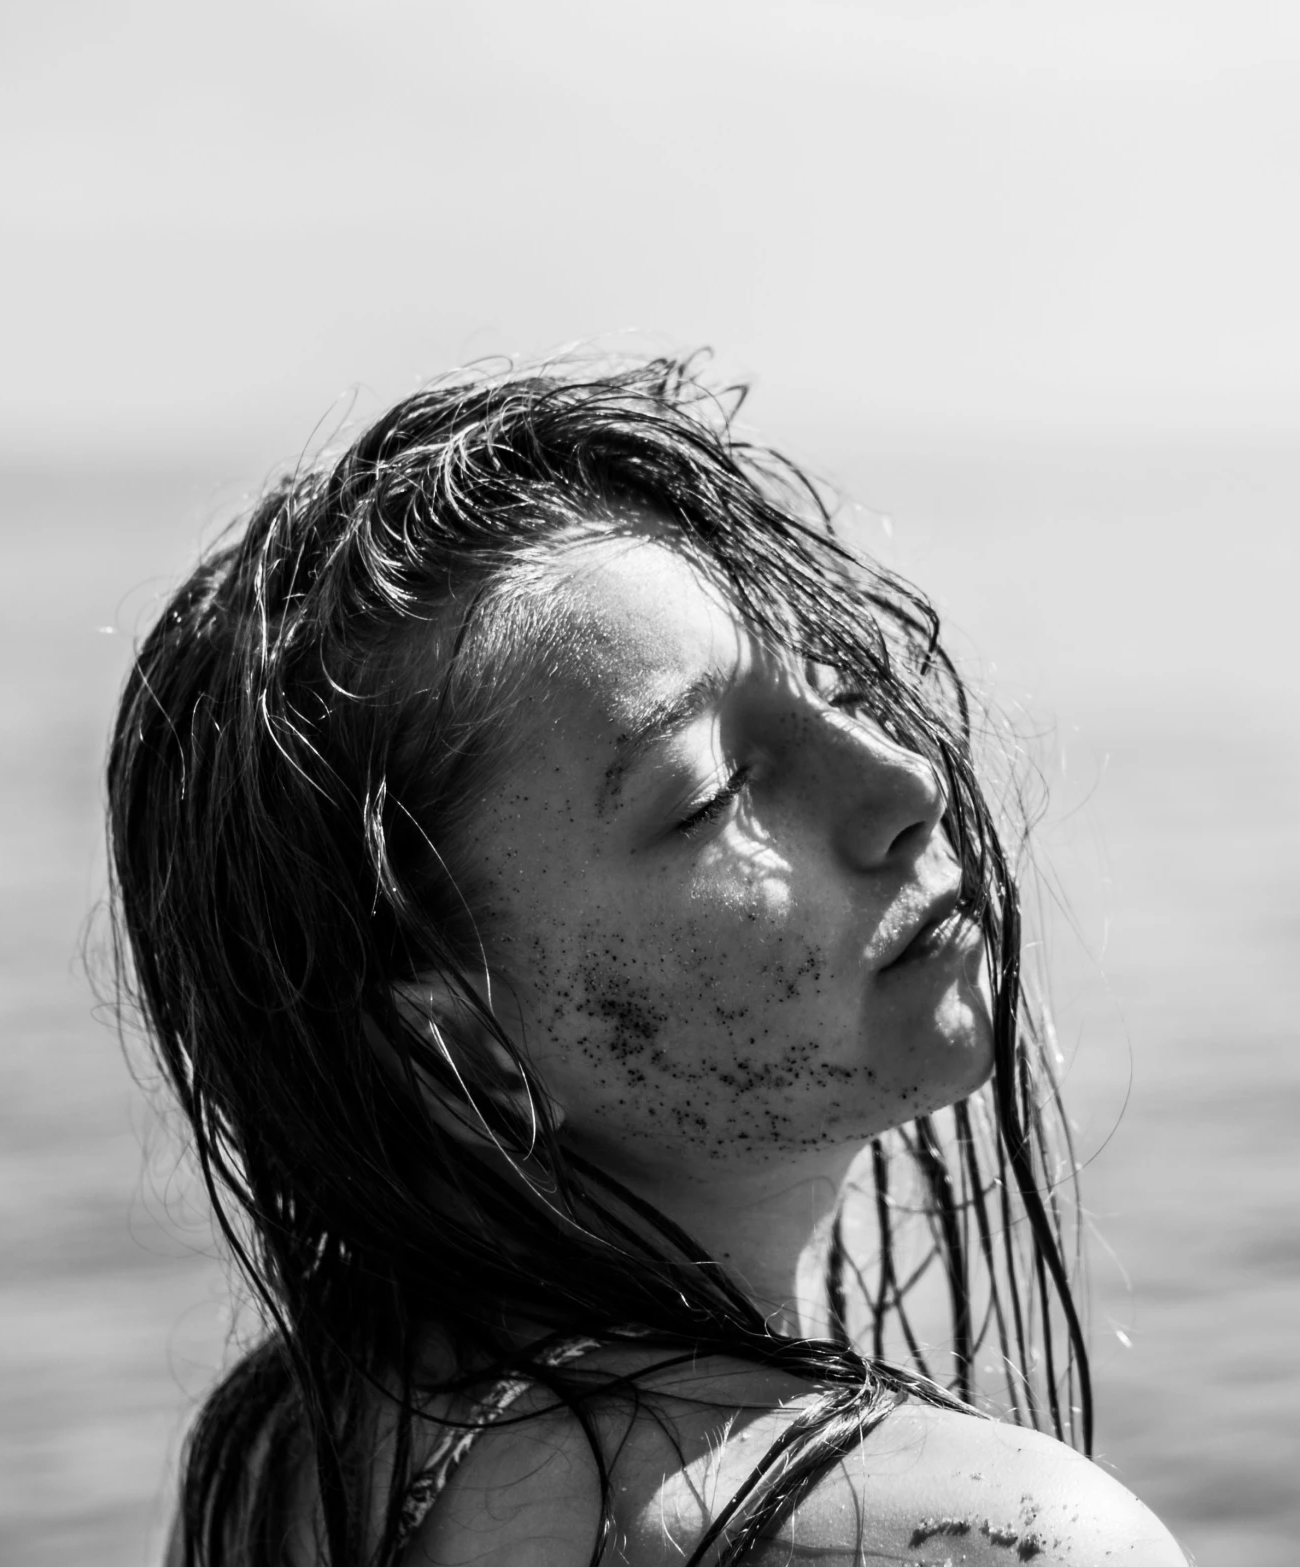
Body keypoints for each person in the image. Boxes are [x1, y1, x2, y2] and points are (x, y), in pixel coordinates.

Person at [107, 357, 1186, 1566]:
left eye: (838, 683)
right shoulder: (983, 1537)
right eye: (714, 790)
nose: (906, 785)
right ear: (461, 1041)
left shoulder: (292, 1456)